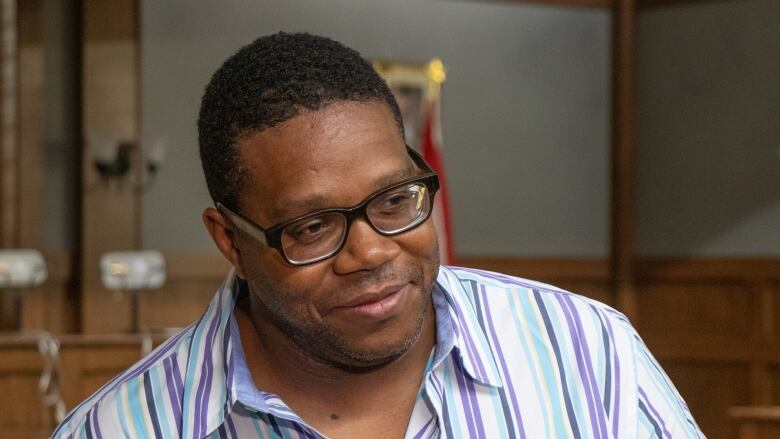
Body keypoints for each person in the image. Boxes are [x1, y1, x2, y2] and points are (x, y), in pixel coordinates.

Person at [53, 32, 703, 439]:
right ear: (229, 240)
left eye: (395, 200)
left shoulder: (588, 356)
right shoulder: (119, 428)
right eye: (311, 227)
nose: (371, 252)